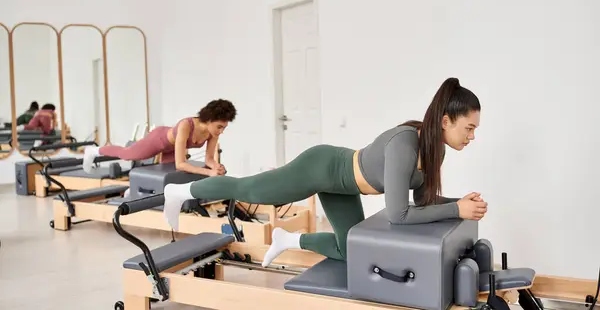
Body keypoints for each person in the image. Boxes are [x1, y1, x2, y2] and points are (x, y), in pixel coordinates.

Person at [162, 78, 487, 267]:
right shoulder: (405, 144)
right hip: (321, 167)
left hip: (343, 186)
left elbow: (423, 199)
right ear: (446, 121)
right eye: (469, 128)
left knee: (349, 251)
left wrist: (459, 202)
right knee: (251, 190)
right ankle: (179, 192)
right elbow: (399, 215)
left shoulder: (436, 150)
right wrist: (456, 209)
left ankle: (287, 239)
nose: (472, 137)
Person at [82, 99, 236, 175]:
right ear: (209, 119)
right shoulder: (186, 125)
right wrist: (209, 172)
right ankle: (94, 151)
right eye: (219, 127)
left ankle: (132, 193)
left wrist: (216, 166)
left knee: (168, 177)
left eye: (224, 127)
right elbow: (180, 164)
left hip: (171, 148)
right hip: (158, 140)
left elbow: (209, 159)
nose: (221, 131)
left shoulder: (212, 133)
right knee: (127, 154)